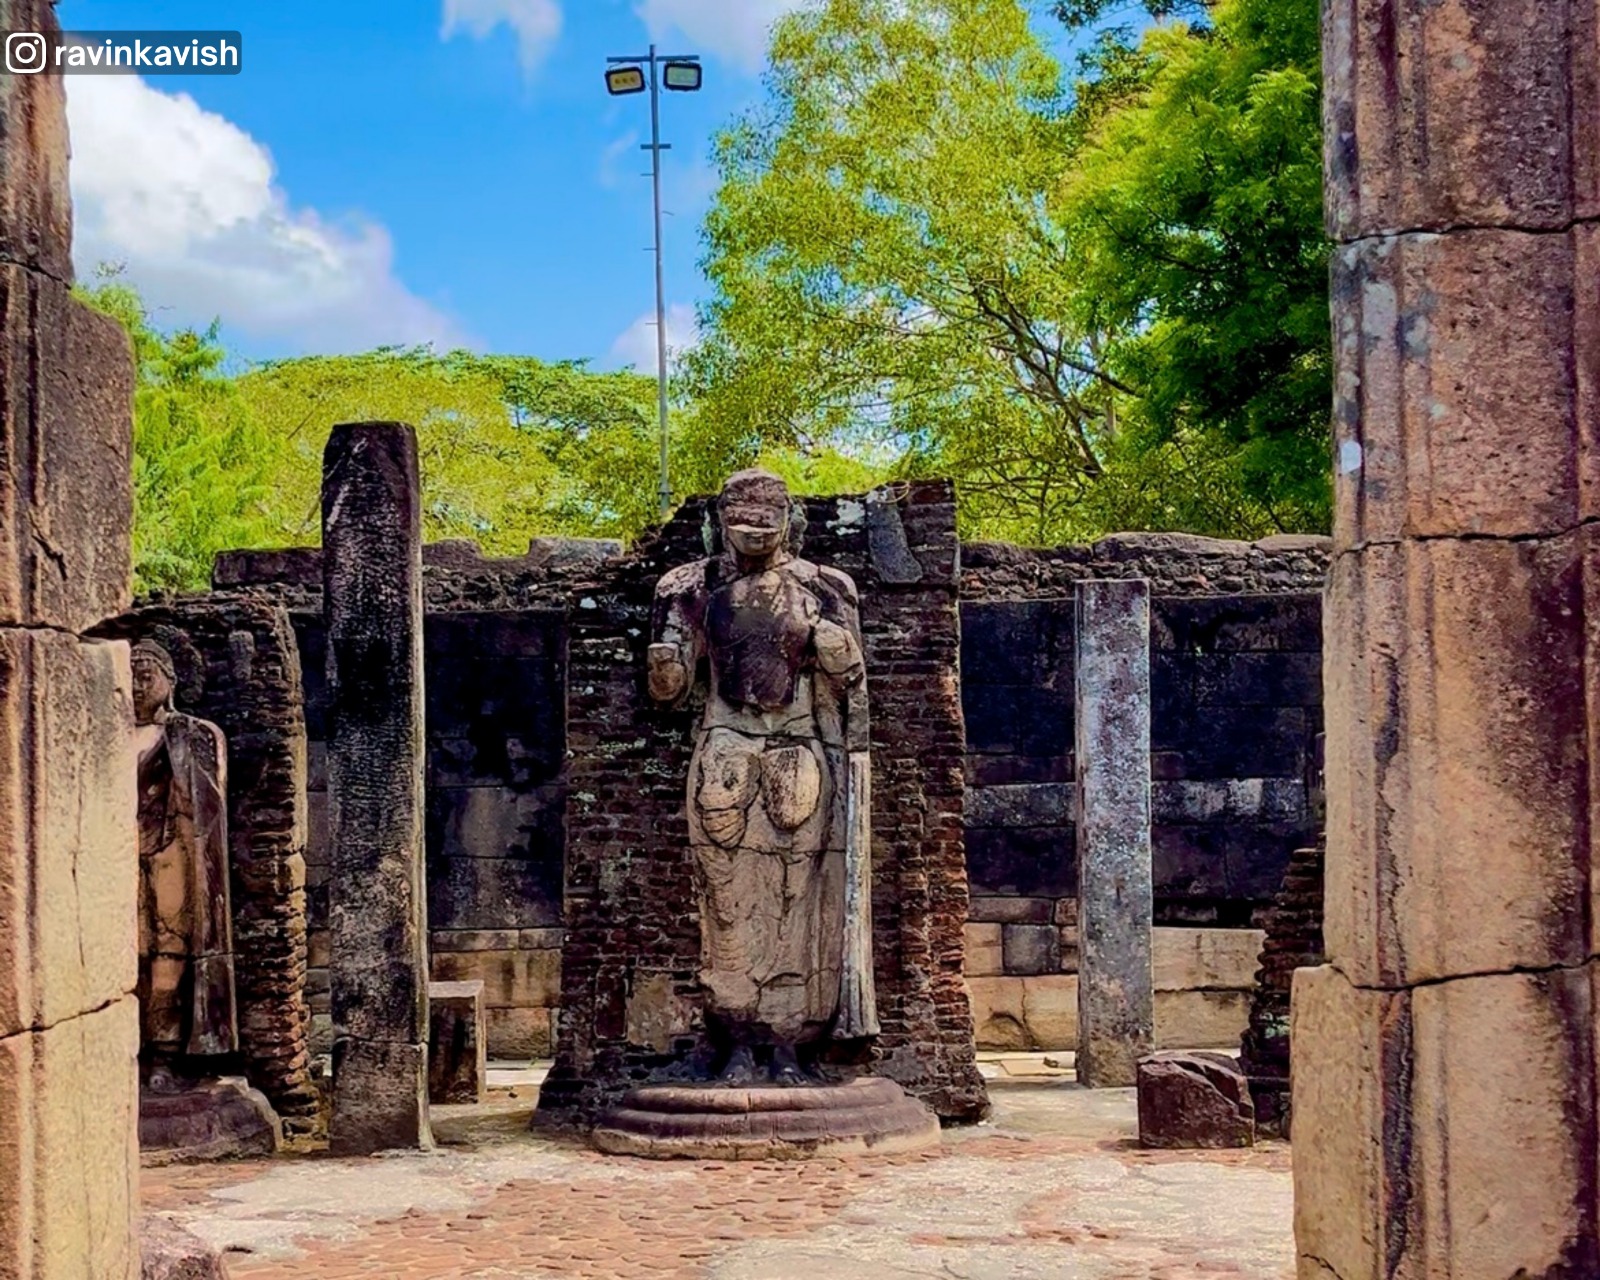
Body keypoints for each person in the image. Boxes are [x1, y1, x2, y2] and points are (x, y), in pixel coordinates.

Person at [648, 470, 877, 1083]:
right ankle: (737, 1032)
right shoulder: (691, 586)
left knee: (795, 889)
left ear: (789, 518)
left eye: (765, 511)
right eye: (738, 513)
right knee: (723, 893)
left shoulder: (825, 587)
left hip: (797, 739)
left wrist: (833, 646)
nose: (751, 525)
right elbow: (668, 692)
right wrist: (668, 654)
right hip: (725, 735)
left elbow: (851, 685)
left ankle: (787, 1036)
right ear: (718, 521)